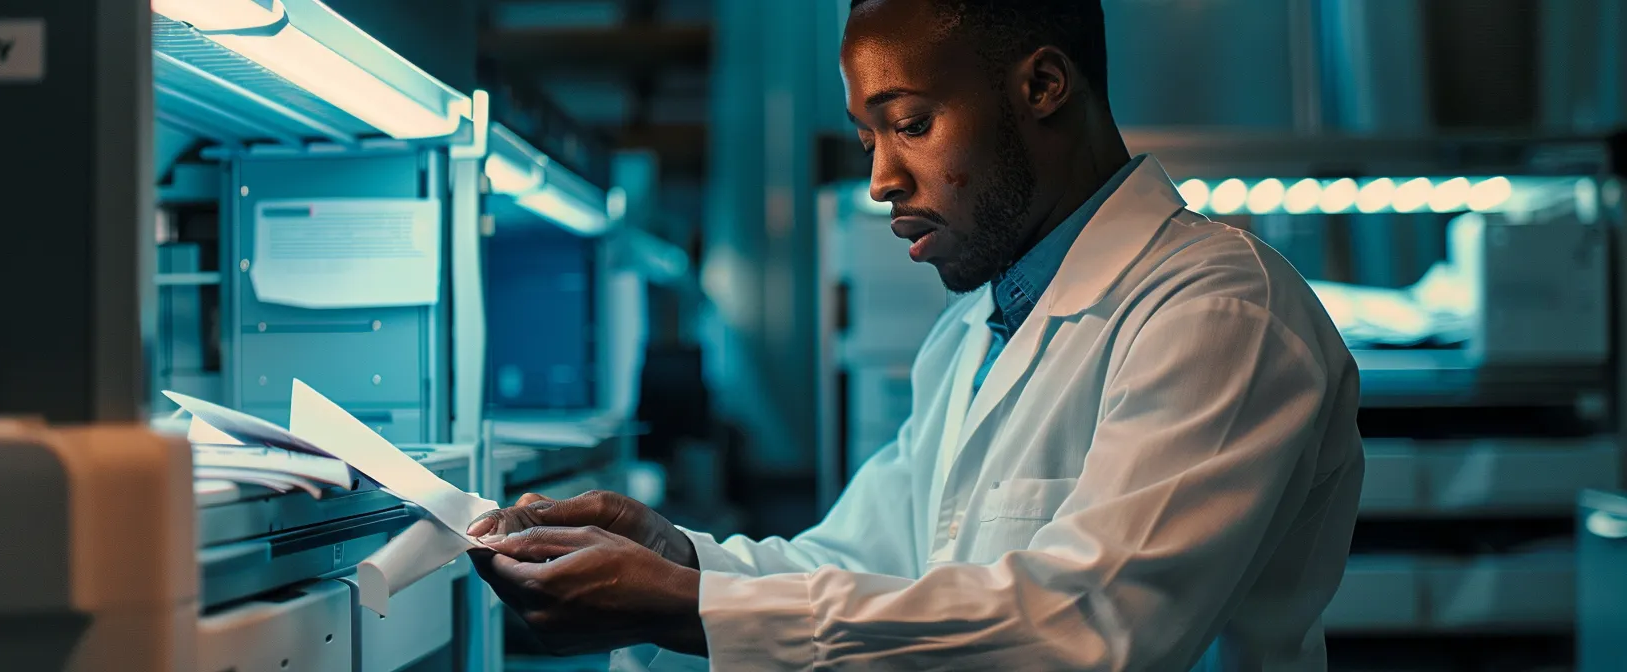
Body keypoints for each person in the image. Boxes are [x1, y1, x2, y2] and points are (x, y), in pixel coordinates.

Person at [466, 0, 1365, 669]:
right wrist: (678, 555)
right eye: (867, 141)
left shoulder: (1217, 311)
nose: (882, 181)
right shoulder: (972, 331)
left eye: (911, 124)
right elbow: (866, 561)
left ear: (1043, 87)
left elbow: (1092, 625)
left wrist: (688, 607)